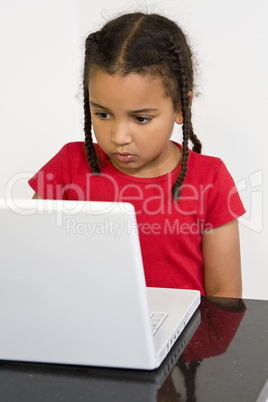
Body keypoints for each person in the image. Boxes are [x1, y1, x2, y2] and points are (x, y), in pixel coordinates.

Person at [29, 12, 245, 297]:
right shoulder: (68, 166)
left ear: (181, 106)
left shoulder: (211, 178)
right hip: (84, 330)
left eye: (141, 119)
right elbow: (27, 260)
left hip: (182, 340)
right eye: (102, 114)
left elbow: (224, 294)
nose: (118, 137)